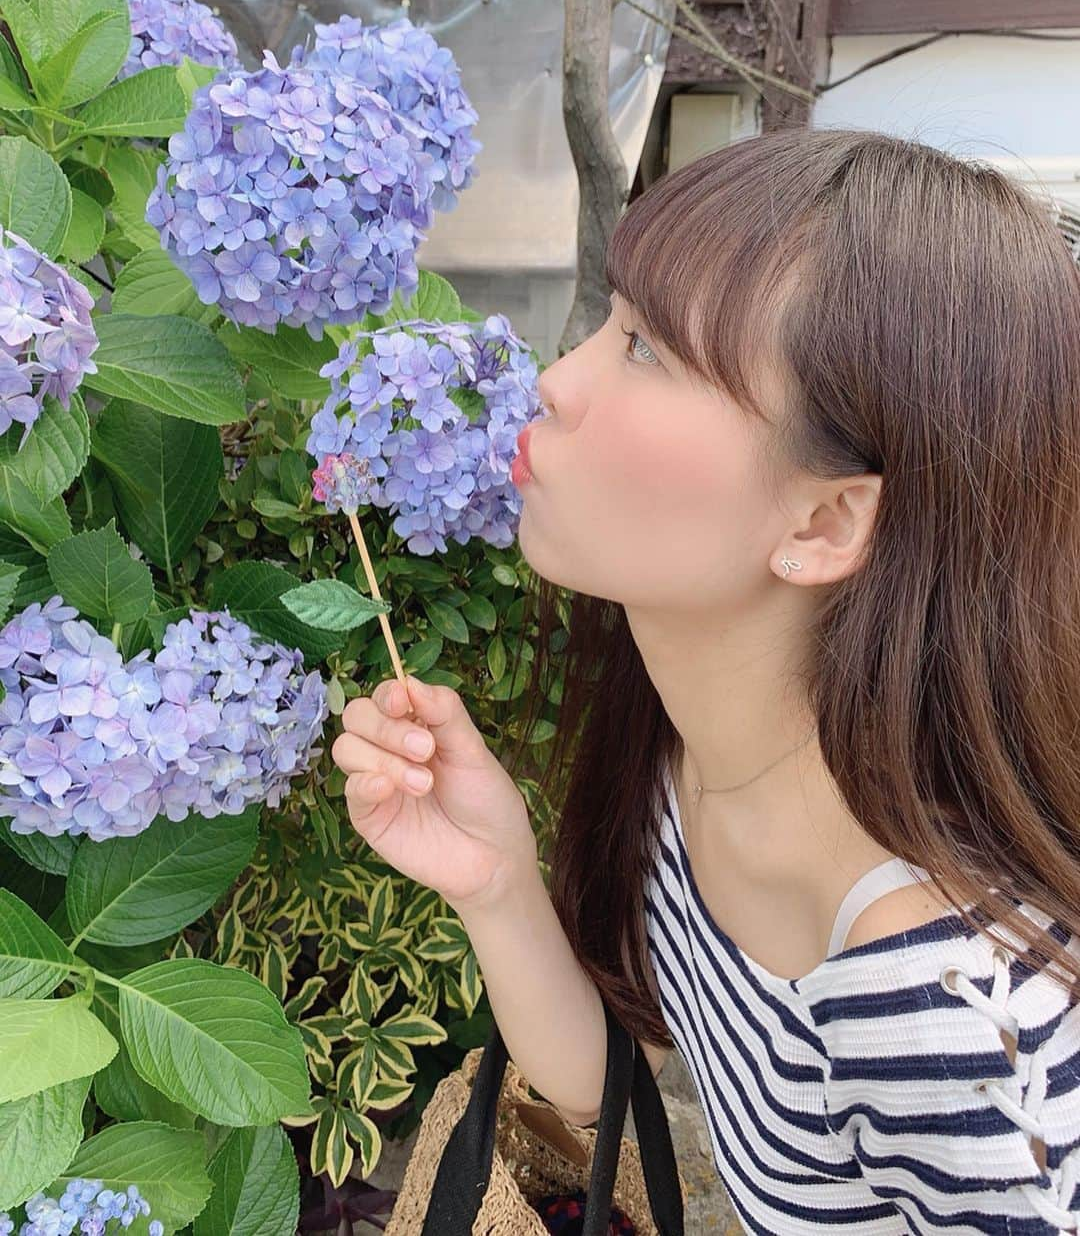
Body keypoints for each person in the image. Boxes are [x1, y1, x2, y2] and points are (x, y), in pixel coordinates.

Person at [333, 127, 1080, 1233]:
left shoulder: (942, 1018)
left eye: (647, 350)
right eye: (614, 320)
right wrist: (494, 883)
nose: (555, 378)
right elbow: (613, 1096)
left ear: (825, 518)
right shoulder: (693, 746)